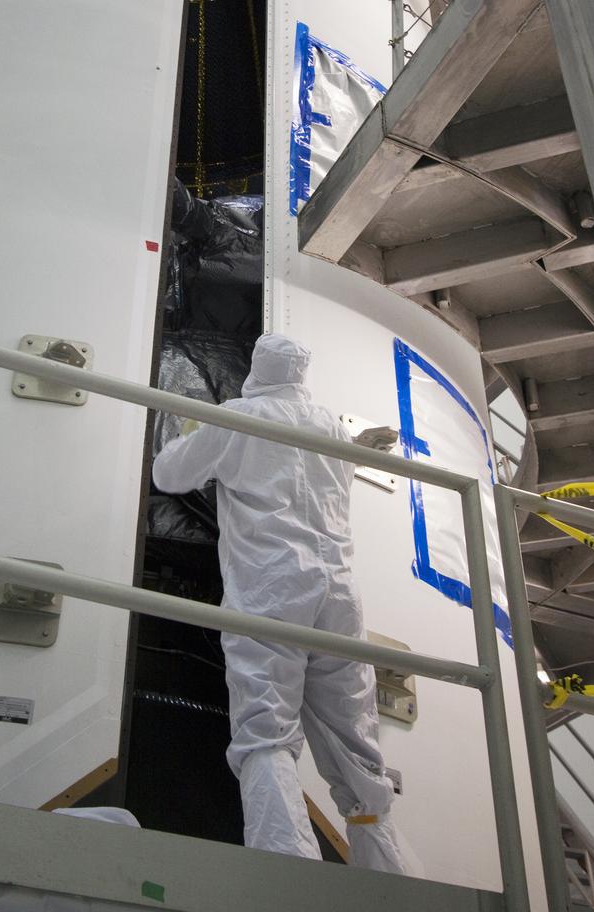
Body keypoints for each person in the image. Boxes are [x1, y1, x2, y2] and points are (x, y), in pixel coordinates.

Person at [152, 332, 404, 872]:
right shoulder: (331, 426)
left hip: (272, 590)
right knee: (353, 738)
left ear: (256, 370)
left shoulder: (241, 416)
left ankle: (288, 871)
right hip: (339, 596)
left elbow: (168, 474)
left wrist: (186, 427)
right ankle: (389, 874)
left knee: (266, 733)